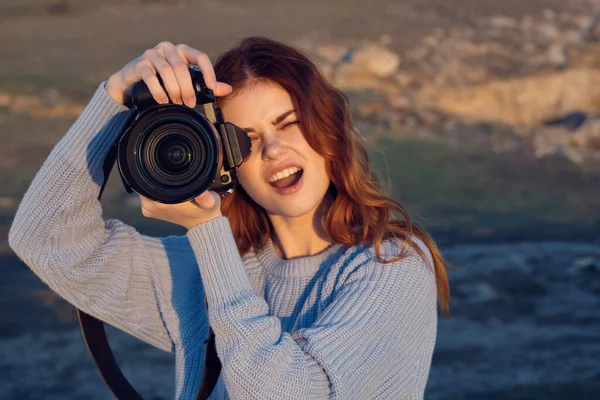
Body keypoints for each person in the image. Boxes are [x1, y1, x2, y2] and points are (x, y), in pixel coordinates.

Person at [9, 37, 450, 399]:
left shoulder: (390, 268)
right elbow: (45, 238)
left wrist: (207, 232)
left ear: (327, 131)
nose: (273, 151)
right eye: (247, 139)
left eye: (289, 123)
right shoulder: (207, 267)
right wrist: (116, 96)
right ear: (224, 162)